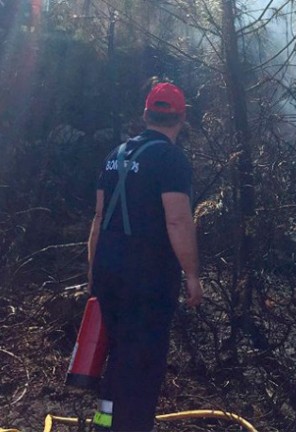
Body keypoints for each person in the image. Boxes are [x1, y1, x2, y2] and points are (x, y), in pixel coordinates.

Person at [86, 82, 203, 431]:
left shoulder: (115, 155)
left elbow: (98, 217)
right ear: (181, 118)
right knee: (143, 360)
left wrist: (94, 269)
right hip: (147, 276)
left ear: (145, 115)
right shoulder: (170, 159)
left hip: (108, 269)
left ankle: (105, 422)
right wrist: (192, 274)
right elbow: (178, 219)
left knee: (117, 351)